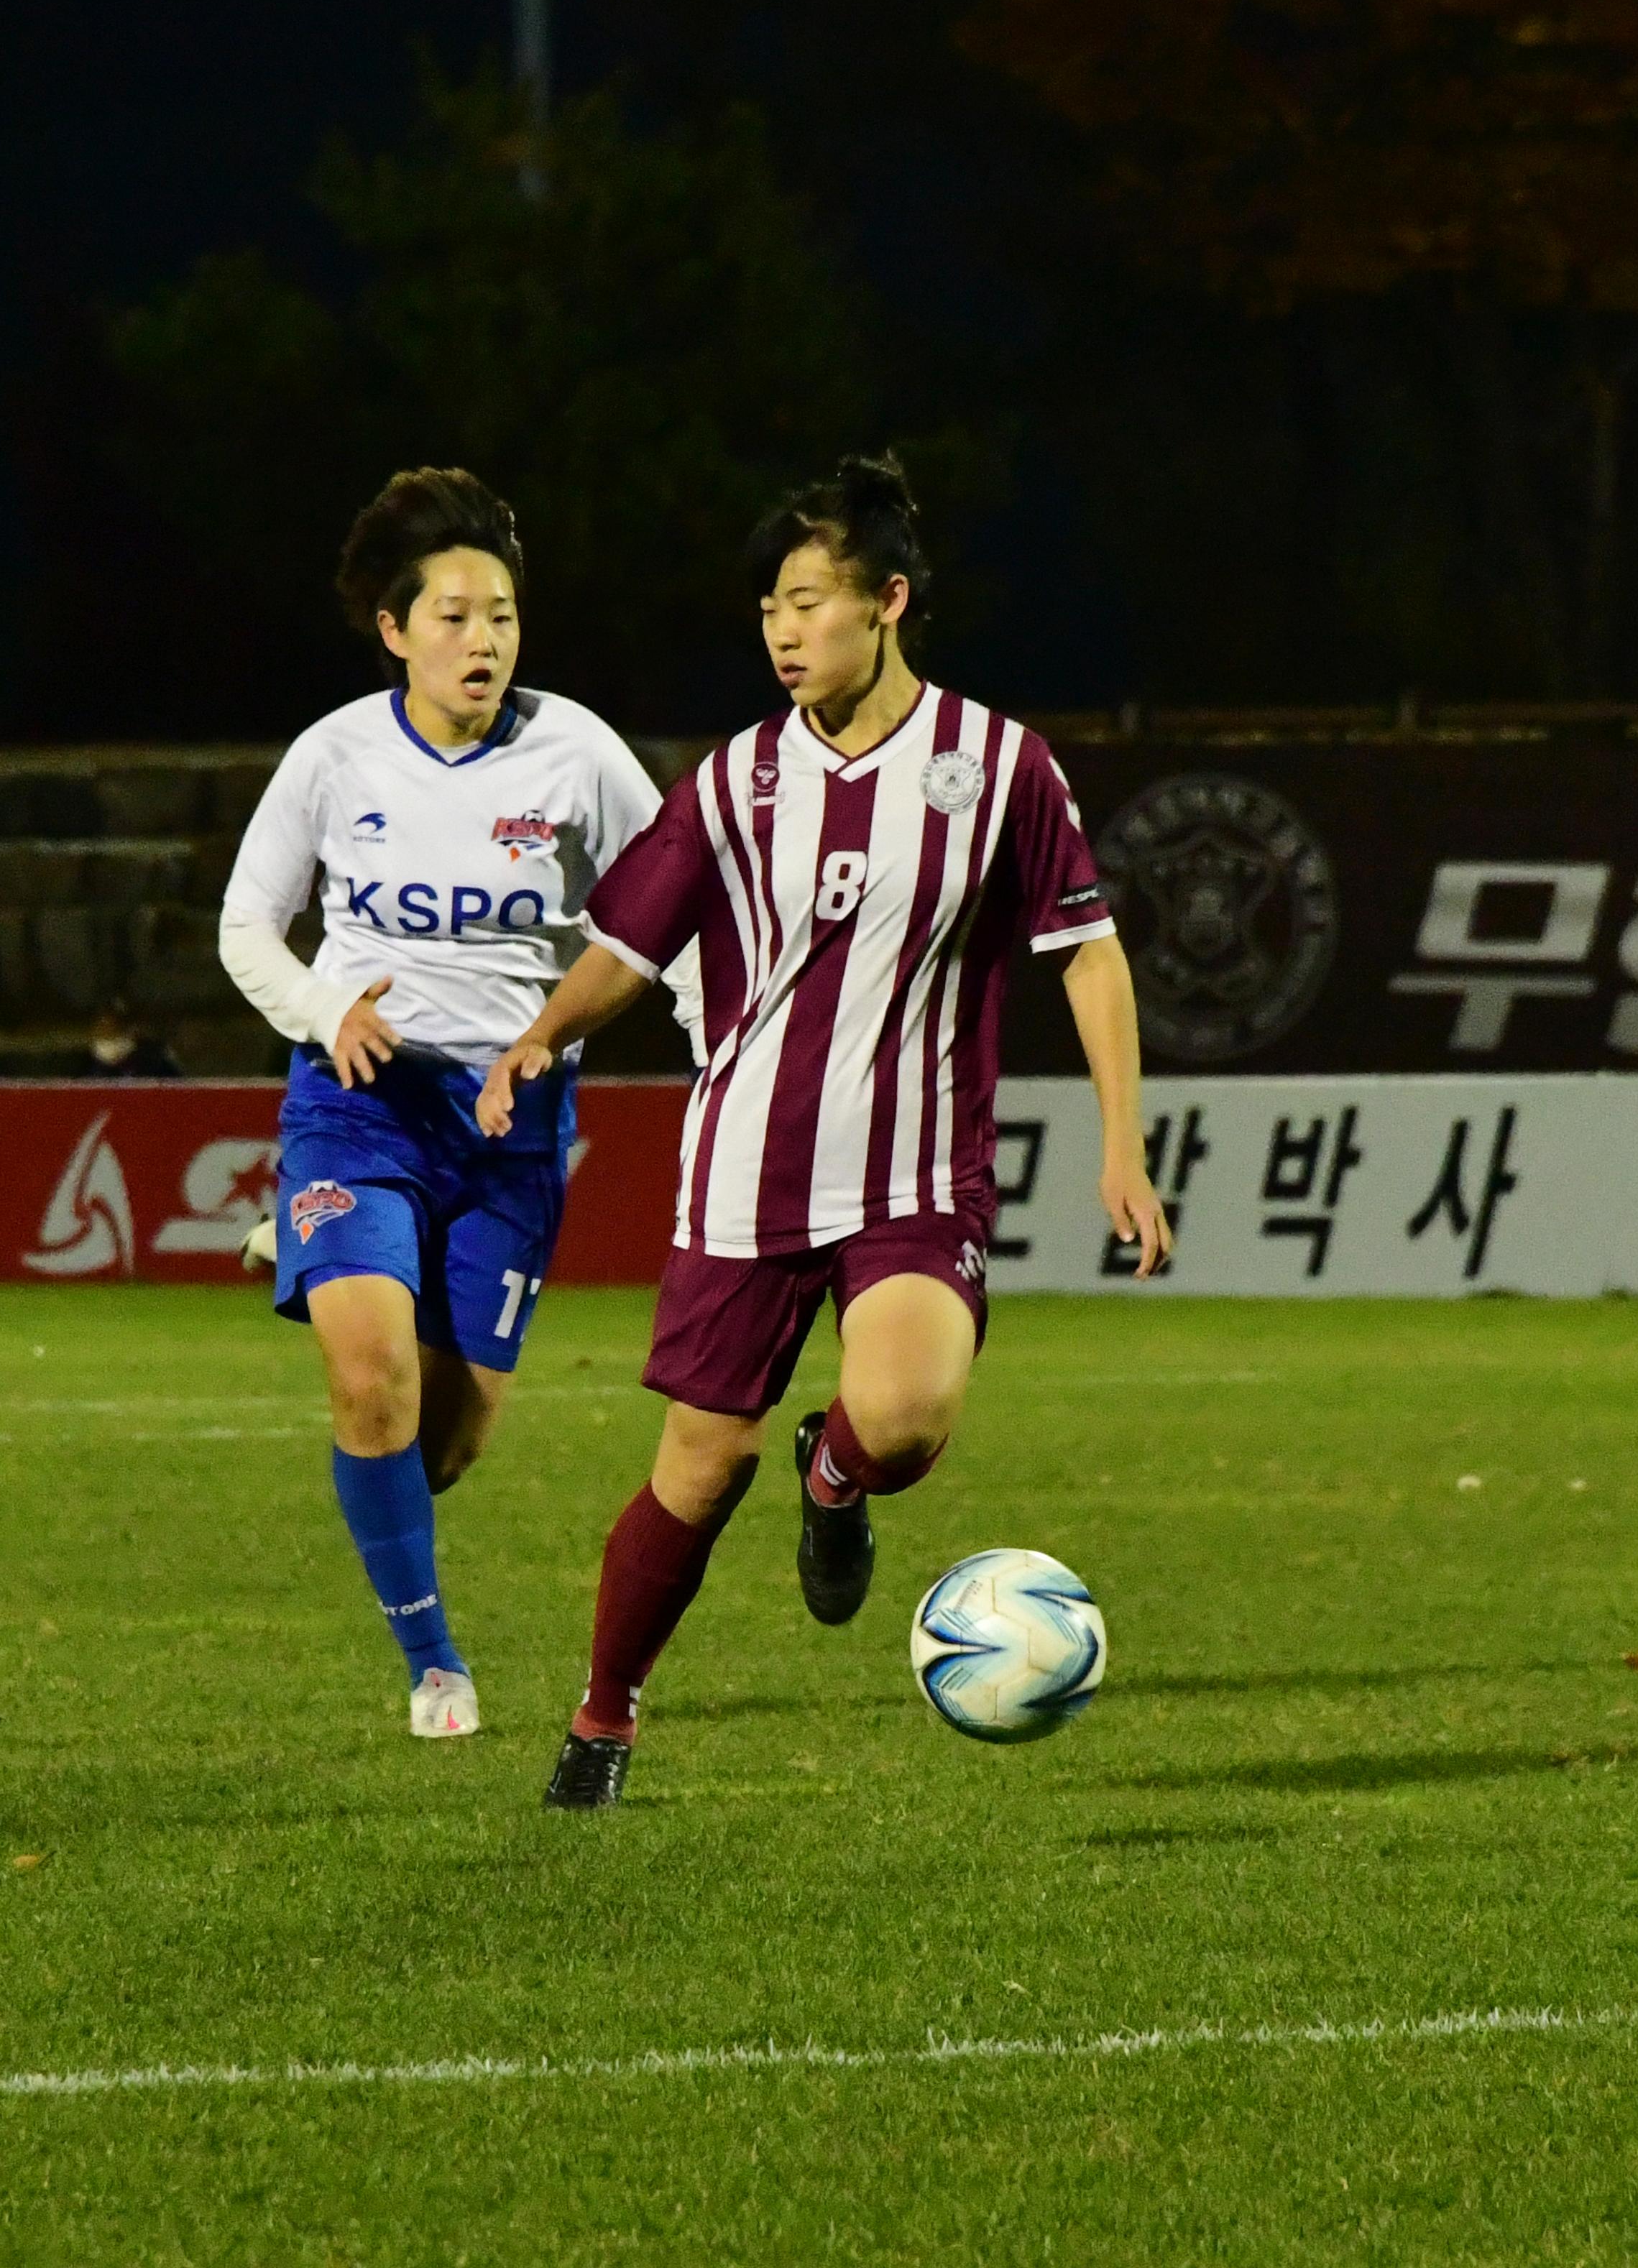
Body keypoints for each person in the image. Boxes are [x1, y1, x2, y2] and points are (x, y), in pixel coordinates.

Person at [476, 454, 1171, 1810]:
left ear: (889, 601)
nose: (783, 632)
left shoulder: (998, 766)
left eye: (807, 601)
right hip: (744, 1171)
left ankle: (839, 1474)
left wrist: (1121, 1145)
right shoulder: (735, 783)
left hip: (914, 1175)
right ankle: (605, 1714)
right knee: (700, 1464)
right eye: (766, 611)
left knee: (905, 1416)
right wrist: (544, 1031)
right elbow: (629, 943)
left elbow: (1086, 954)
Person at [216, 468, 668, 1738]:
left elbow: (668, 914)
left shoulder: (577, 754)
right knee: (371, 1387)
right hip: (359, 1101)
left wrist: (712, 1034)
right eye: (458, 617)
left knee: (445, 1443)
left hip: (511, 1124)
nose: (485, 640)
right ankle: (434, 1664)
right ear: (395, 630)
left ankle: (308, 1249)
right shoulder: (334, 754)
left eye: (504, 617)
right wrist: (324, 1011)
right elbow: (248, 927)